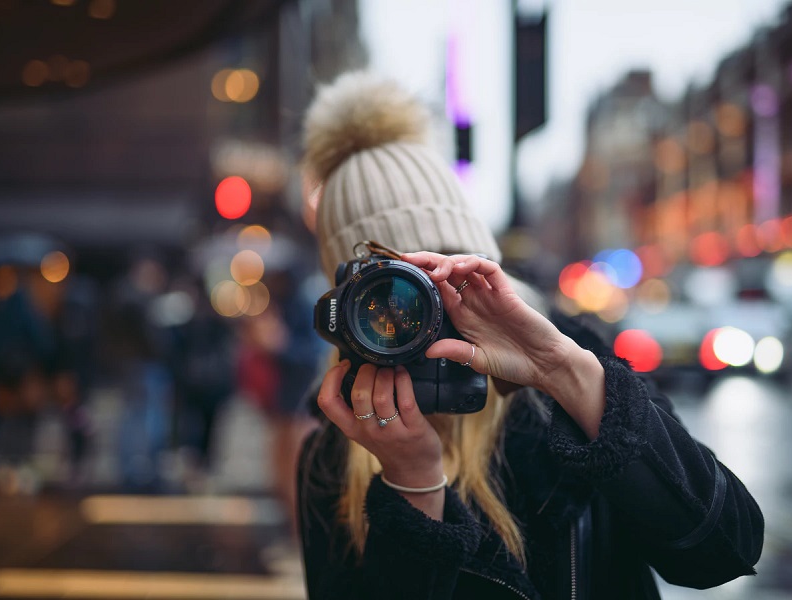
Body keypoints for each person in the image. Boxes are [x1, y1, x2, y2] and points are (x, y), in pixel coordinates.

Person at [296, 71, 764, 599]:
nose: (419, 317)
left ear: (481, 267)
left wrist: (566, 372)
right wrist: (412, 481)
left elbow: (726, 548)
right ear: (346, 311)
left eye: (442, 278)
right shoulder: (333, 455)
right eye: (386, 297)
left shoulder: (571, 391)